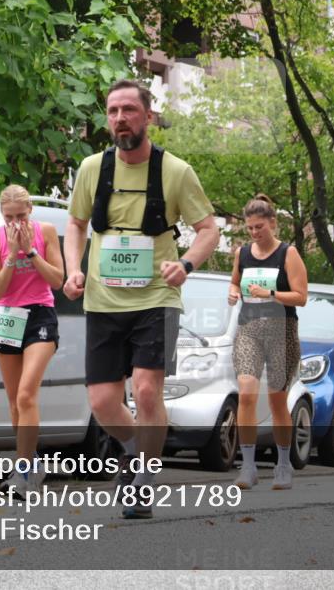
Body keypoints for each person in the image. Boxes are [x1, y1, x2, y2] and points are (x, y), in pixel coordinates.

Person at [63, 79, 219, 518]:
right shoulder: (93, 168)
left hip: (157, 298)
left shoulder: (176, 171)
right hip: (103, 300)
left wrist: (185, 265)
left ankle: (145, 480)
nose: (119, 118)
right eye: (113, 111)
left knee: (147, 391)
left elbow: (209, 230)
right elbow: (75, 225)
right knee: (103, 402)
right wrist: (74, 269)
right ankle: (135, 450)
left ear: (148, 117)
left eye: (129, 110)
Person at [0, 185, 64, 497]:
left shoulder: (46, 232)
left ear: (30, 210)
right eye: (8, 217)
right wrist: (12, 255)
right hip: (7, 316)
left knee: (28, 394)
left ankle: (23, 472)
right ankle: (31, 464)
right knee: (15, 400)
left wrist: (31, 251)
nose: (15, 222)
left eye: (20, 215)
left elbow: (57, 280)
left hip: (40, 315)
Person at [227, 195, 308, 490]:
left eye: (259, 227)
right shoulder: (243, 253)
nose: (254, 233)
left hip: (281, 329)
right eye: (249, 228)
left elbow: (301, 296)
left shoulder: (288, 253)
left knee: (276, 399)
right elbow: (235, 281)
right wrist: (233, 292)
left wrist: (270, 294)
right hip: (249, 327)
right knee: (246, 394)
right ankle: (247, 466)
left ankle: (283, 464)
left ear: (272, 223)